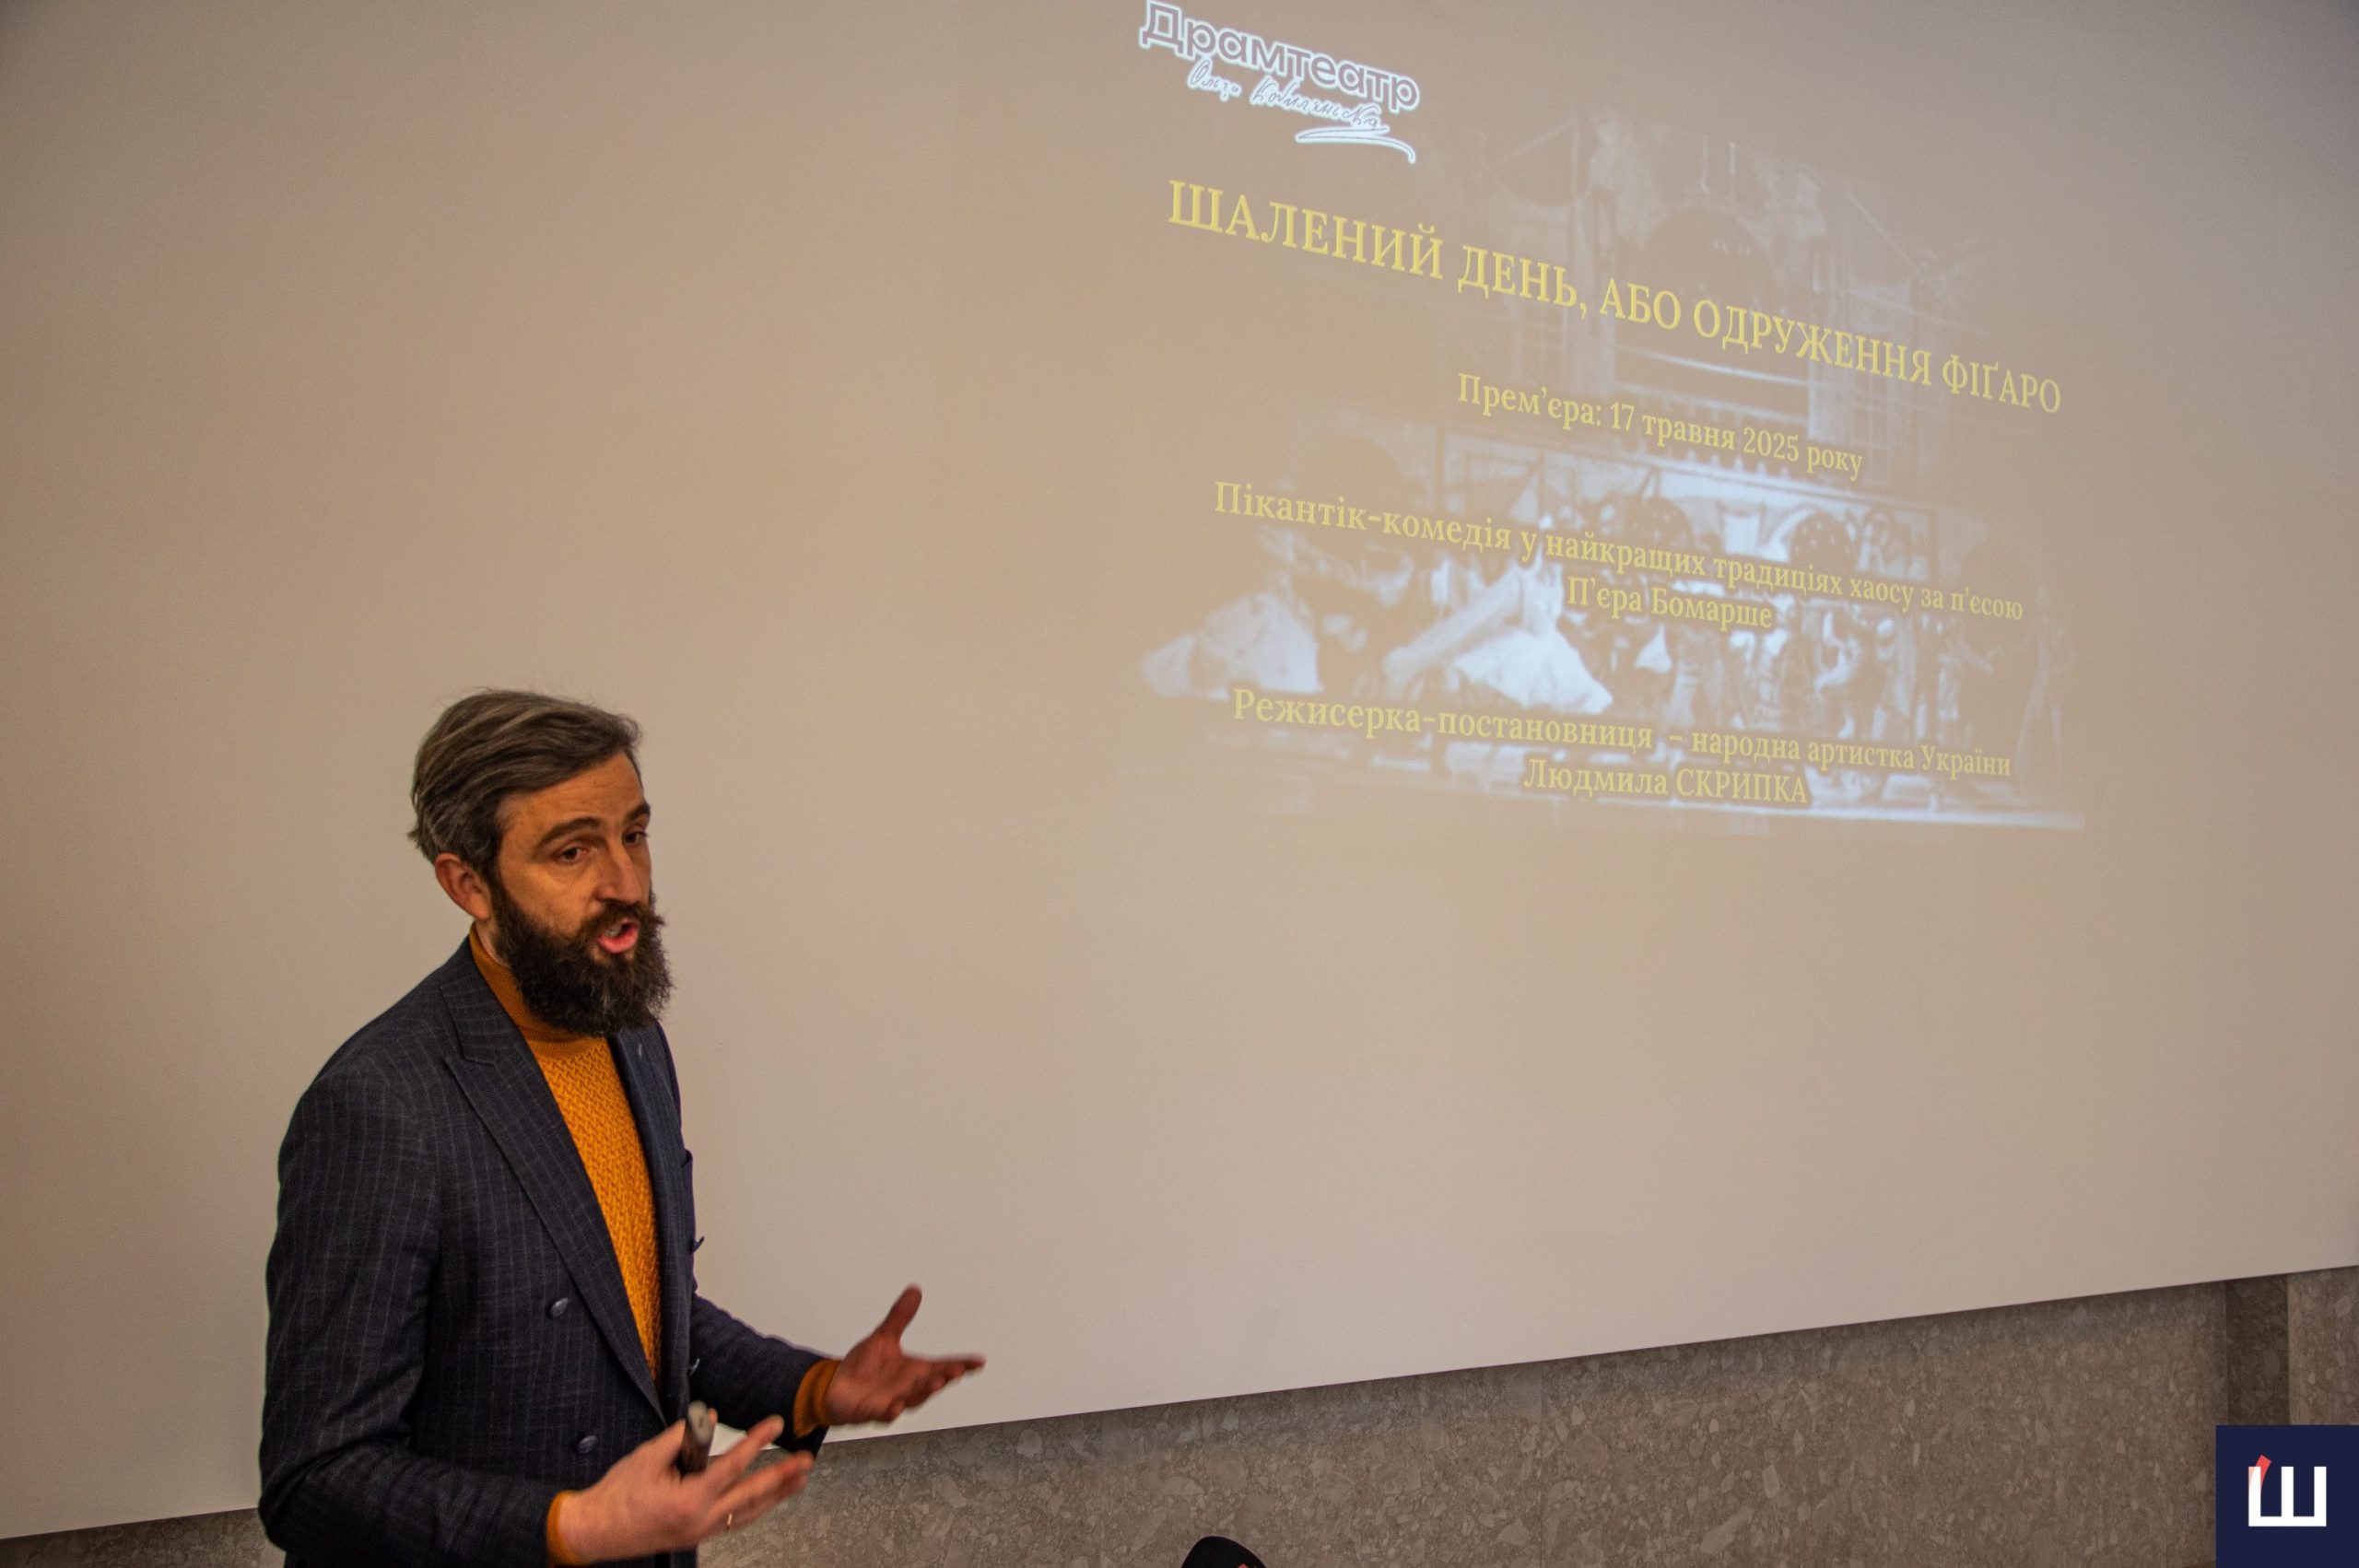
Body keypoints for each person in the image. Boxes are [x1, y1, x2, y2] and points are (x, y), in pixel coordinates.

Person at [261, 690, 983, 1567]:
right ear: (468, 884)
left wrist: (817, 1388)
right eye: (573, 851)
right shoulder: (379, 1105)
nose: (627, 883)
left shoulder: (631, 1036)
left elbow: (633, 1310)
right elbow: (316, 1477)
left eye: (633, 835)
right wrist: (573, 1527)